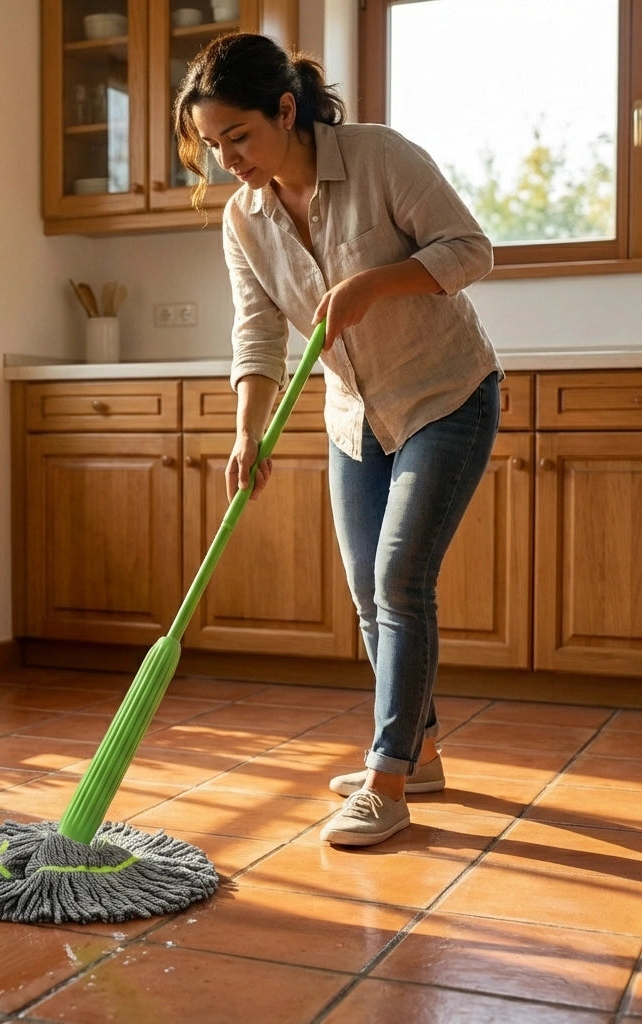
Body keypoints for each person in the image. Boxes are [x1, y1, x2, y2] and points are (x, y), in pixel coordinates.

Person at [173, 33, 503, 847]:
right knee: (369, 595)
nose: (229, 161)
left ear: (286, 110)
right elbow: (257, 337)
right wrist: (248, 432)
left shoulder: (381, 158)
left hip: (445, 395)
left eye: (239, 137)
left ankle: (387, 780)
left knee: (400, 578)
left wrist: (372, 283)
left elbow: (470, 250)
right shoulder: (242, 219)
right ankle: (419, 749)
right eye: (214, 146)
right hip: (356, 417)